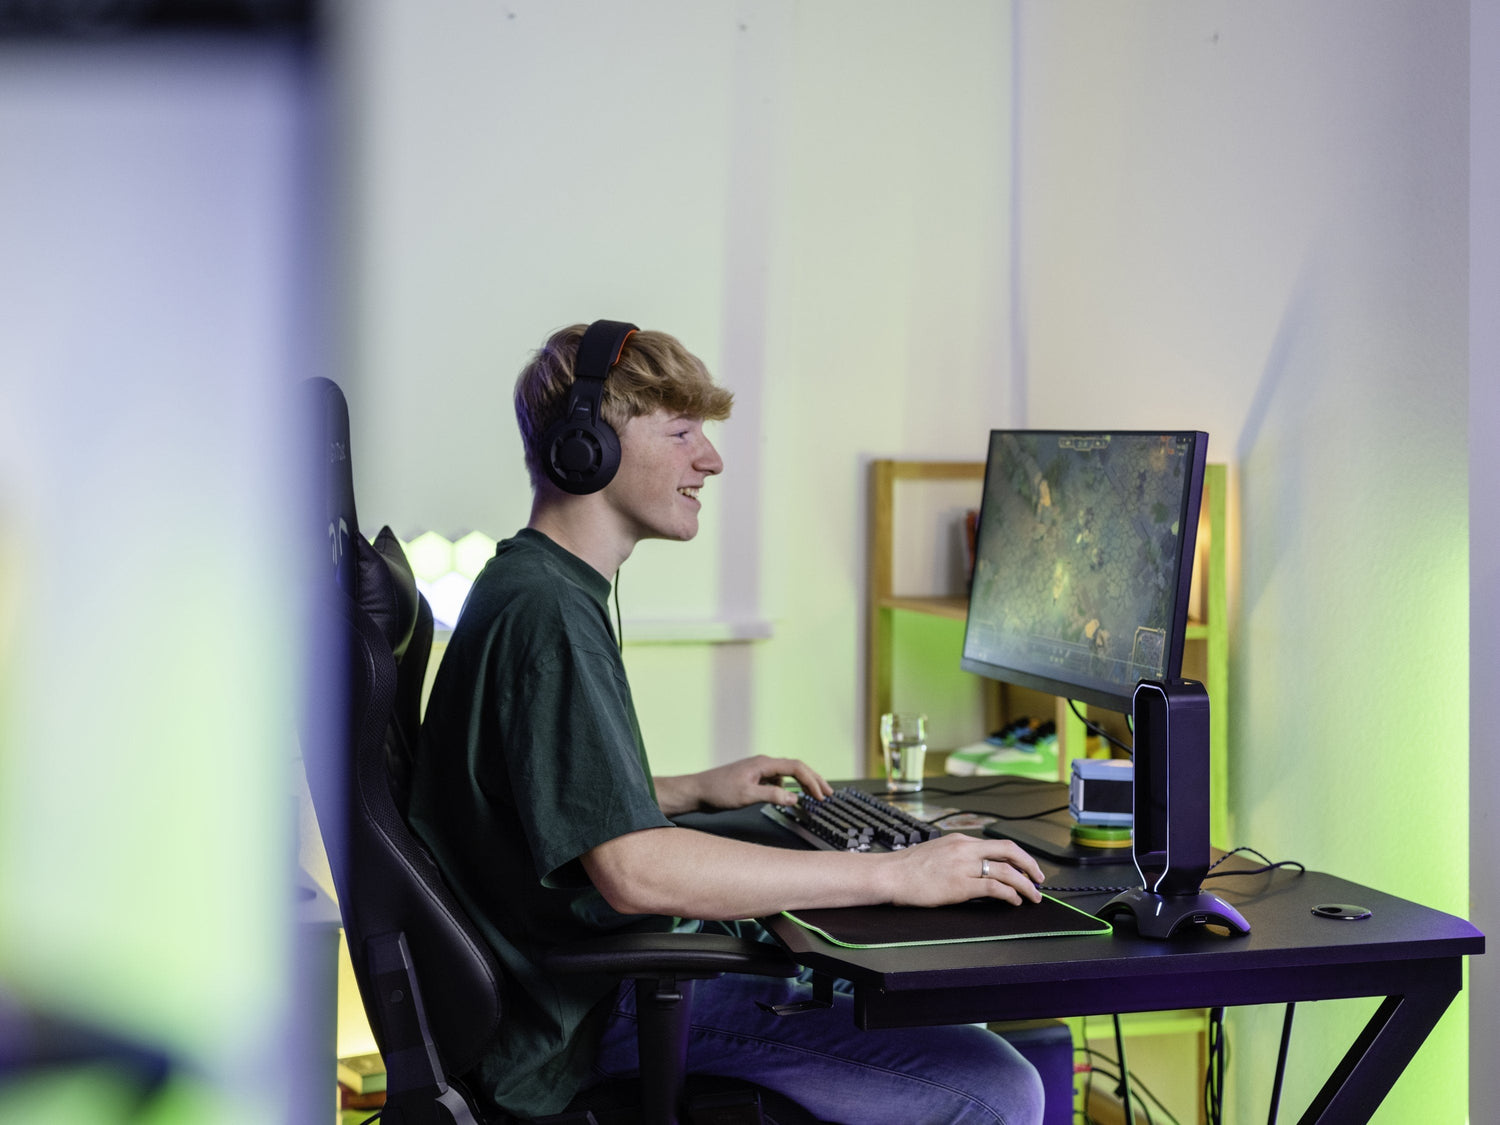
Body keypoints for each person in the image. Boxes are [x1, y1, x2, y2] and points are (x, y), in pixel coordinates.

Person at [407, 322, 1047, 1124]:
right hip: (581, 1017)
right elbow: (635, 871)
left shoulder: (532, 583)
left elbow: (523, 794)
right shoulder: (549, 614)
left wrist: (685, 789)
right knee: (998, 1088)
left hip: (576, 987)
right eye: (682, 432)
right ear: (586, 447)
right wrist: (898, 872)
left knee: (930, 1023)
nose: (709, 460)